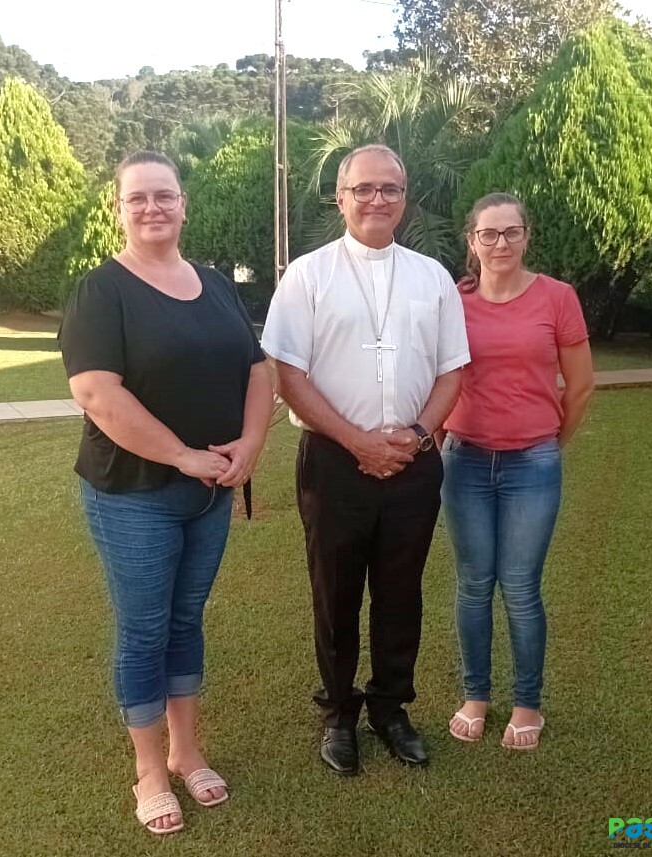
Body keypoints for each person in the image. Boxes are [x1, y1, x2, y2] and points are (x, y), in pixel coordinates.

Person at [59, 150, 273, 834]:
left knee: (186, 622)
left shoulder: (212, 283)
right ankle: (149, 770)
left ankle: (186, 751)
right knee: (145, 627)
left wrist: (248, 444)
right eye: (137, 198)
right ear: (119, 209)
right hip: (134, 494)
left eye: (164, 195)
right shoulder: (103, 290)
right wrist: (183, 455)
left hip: (208, 491)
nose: (152, 207)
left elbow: (258, 367)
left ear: (184, 204)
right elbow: (97, 393)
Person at [261, 144, 470, 775]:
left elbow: (452, 370)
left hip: (414, 459)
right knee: (336, 591)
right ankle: (339, 715)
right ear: (341, 196)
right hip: (332, 461)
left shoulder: (432, 276)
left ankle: (390, 708)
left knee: (402, 592)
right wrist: (359, 441)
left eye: (390, 189)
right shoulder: (307, 274)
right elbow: (287, 373)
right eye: (364, 189)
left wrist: (414, 434)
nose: (377, 199)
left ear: (405, 198)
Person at [442, 192, 594, 750]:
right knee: (474, 584)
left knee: (522, 587)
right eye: (489, 234)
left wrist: (551, 442)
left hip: (533, 461)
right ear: (472, 240)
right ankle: (476, 695)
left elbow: (580, 386)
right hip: (465, 461)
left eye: (511, 232)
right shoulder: (452, 301)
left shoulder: (558, 298)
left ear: (527, 236)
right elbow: (440, 377)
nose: (500, 243)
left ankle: (527, 703)